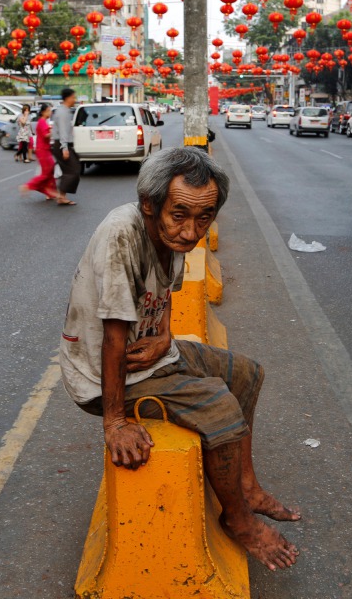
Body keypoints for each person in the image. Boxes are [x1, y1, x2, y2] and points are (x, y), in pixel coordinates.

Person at [59, 148, 299, 571]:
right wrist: (115, 422)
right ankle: (239, 520)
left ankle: (248, 486)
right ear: (149, 206)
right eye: (180, 215)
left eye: (203, 218)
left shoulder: (174, 232)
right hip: (107, 375)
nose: (191, 232)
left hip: (152, 352)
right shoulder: (122, 236)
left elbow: (166, 290)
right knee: (219, 406)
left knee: (246, 374)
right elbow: (114, 338)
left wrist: (165, 334)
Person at [22, 104, 59, 201]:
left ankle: (51, 192)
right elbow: (46, 135)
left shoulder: (44, 121)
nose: (50, 112)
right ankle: (29, 185)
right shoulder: (42, 121)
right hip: (42, 150)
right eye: (48, 111)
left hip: (45, 149)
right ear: (43, 112)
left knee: (50, 171)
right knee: (46, 173)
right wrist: (54, 130)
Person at [52, 88, 80, 205]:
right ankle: (61, 195)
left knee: (69, 170)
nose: (75, 100)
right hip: (62, 144)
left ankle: (61, 195)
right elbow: (63, 132)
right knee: (73, 170)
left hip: (62, 144)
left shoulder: (64, 111)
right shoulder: (63, 112)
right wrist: (65, 148)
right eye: (73, 97)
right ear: (68, 98)